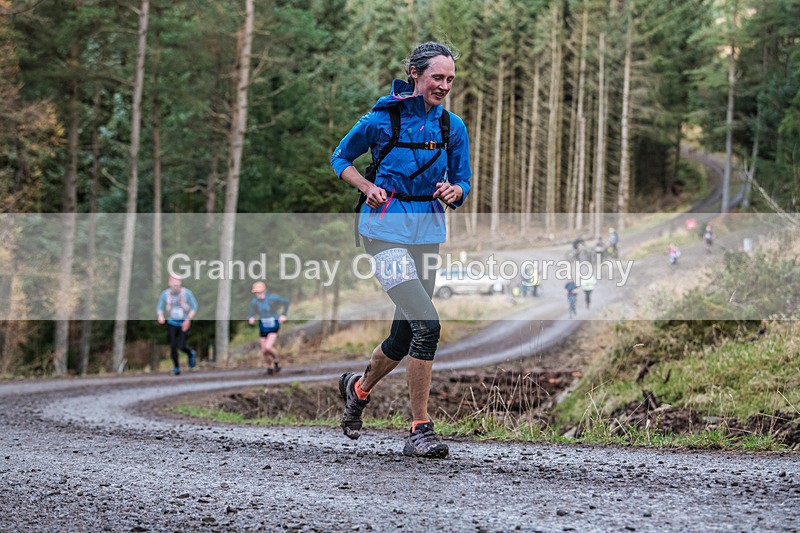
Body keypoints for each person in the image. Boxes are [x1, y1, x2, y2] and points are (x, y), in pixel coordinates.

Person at [330, 41, 471, 458]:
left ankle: (358, 388)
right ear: (415, 74)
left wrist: (454, 190)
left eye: (449, 79)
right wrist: (366, 186)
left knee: (404, 333)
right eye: (436, 78)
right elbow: (341, 158)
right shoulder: (381, 119)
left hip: (427, 231)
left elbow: (463, 182)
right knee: (427, 324)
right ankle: (420, 428)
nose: (444, 86)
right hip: (384, 231)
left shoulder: (452, 127)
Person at [156, 275, 198, 375]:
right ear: (170, 283)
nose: (176, 287)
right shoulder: (165, 294)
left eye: (177, 285)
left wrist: (188, 319)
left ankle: (190, 353)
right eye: (174, 285)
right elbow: (159, 307)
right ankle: (176, 368)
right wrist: (160, 316)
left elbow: (194, 307)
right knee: (173, 346)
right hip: (172, 322)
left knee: (181, 345)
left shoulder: (187, 293)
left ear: (180, 283)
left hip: (184, 322)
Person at [247, 281, 289, 375]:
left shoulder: (273, 298)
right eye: (256, 293)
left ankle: (277, 360)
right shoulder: (254, 302)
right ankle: (269, 367)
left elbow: (286, 302)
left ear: (263, 291)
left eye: (259, 292)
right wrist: (250, 318)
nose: (257, 294)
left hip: (273, 324)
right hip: (263, 326)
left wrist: (283, 315)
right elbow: (250, 313)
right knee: (264, 350)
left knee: (268, 347)